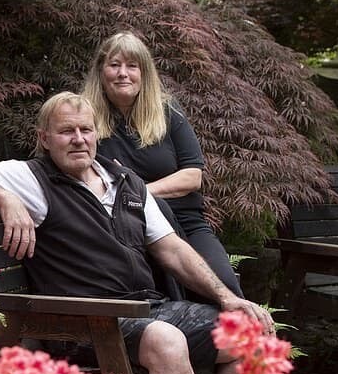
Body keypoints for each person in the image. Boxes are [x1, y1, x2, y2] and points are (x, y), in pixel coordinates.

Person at [0, 92, 273, 374]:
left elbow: (172, 249)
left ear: (97, 134)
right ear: (45, 138)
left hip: (145, 310)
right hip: (84, 324)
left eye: (86, 130)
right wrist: (4, 196)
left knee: (251, 330)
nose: (78, 139)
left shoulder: (126, 182)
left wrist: (228, 298)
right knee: (166, 341)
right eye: (66, 131)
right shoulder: (32, 178)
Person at [82, 31, 244, 299]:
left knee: (224, 287)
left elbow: (192, 176)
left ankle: (245, 340)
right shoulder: (85, 120)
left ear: (143, 73)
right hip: (128, 230)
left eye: (132, 66)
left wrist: (138, 190)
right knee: (163, 299)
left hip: (186, 223)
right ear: (101, 72)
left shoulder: (168, 112)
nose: (123, 73)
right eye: (114, 65)